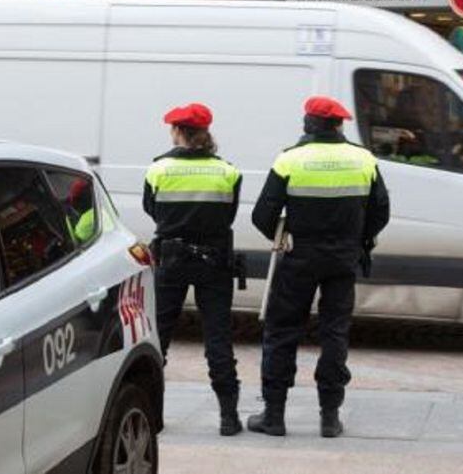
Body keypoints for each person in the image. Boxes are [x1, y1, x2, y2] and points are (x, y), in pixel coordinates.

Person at [248, 95, 390, 438]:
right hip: (343, 260)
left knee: (282, 333)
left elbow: (262, 215)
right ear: (339, 125)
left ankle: (275, 415)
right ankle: (329, 416)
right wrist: (359, 240)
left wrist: (284, 235)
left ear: (307, 124)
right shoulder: (363, 160)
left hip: (298, 258)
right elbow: (380, 211)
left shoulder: (290, 160)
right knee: (335, 334)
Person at [143, 102, 244, 436]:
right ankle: (229, 417)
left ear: (177, 132)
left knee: (159, 337)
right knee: (218, 337)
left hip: (171, 261)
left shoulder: (158, 169)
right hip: (214, 262)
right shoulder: (228, 171)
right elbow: (228, 216)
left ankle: (151, 415)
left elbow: (152, 211)